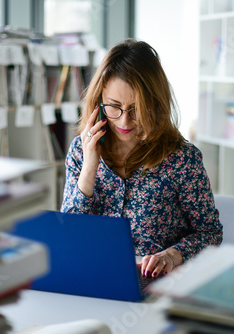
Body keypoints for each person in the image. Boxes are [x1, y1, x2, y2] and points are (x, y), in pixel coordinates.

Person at [61, 39, 222, 278]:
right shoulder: (80, 151)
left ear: (156, 105)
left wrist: (171, 255)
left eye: (137, 109)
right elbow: (67, 236)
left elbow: (210, 234)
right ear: (98, 102)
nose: (125, 121)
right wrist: (89, 167)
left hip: (160, 282)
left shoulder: (182, 159)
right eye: (113, 107)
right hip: (93, 275)